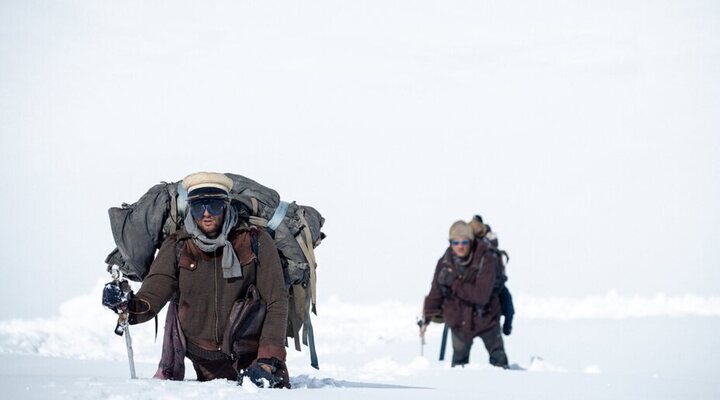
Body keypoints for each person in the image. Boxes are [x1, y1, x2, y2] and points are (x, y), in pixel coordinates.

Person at [103, 172, 290, 387]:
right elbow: (152, 295)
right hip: (205, 363)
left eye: (214, 205)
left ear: (226, 205)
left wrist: (267, 360)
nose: (207, 213)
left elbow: (276, 301)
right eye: (199, 206)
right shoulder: (178, 245)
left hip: (254, 358)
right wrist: (126, 304)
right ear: (190, 208)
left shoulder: (256, 240)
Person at [421, 220, 509, 368]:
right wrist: (426, 318)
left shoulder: (486, 259)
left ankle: (505, 388)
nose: (460, 246)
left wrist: (454, 282)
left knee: (499, 362)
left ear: (471, 242)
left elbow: (481, 296)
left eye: (464, 242)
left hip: (486, 319)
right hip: (458, 321)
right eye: (455, 242)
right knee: (459, 365)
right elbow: (436, 292)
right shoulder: (444, 262)